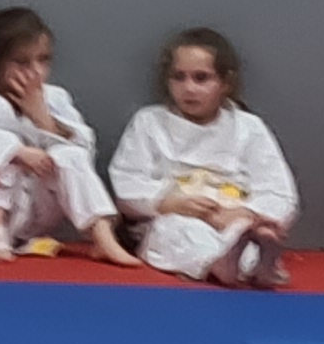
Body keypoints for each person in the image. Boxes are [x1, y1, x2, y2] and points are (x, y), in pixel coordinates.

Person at [0, 6, 133, 266]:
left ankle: (103, 237)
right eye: (22, 62)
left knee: (70, 154)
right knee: (1, 147)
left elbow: (85, 153)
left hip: (35, 216)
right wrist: (17, 153)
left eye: (43, 60)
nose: (36, 71)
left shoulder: (54, 98)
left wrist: (44, 121)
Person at [107, 26, 297, 287]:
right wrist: (168, 203)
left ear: (225, 83)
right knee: (177, 232)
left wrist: (248, 213)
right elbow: (127, 181)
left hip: (230, 213)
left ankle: (259, 261)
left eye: (201, 78)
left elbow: (278, 189)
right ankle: (227, 265)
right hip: (174, 214)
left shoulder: (248, 127)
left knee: (241, 233)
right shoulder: (149, 122)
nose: (189, 88)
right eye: (179, 77)